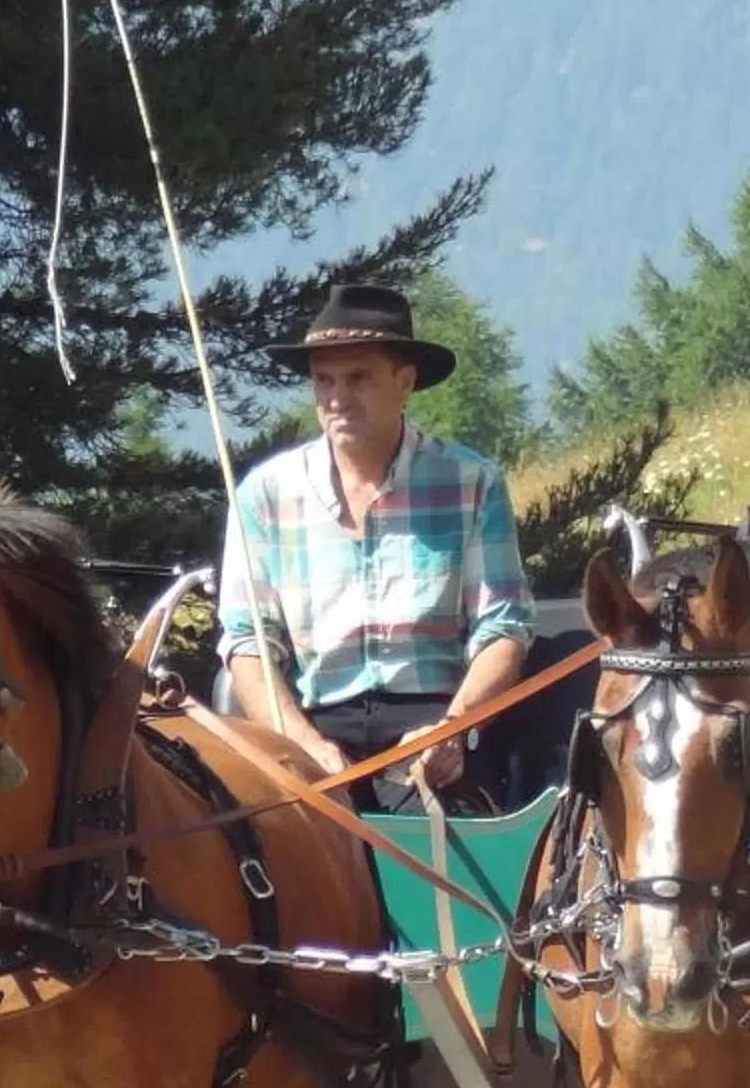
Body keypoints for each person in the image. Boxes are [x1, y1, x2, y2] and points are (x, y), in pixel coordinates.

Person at [216, 282, 534, 810]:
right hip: (310, 722)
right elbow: (248, 642)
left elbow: (503, 628)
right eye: (324, 381)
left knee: (441, 852)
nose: (338, 398)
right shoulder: (264, 494)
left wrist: (451, 731)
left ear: (405, 382)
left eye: (358, 378)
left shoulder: (471, 482)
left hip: (432, 721)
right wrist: (303, 743)